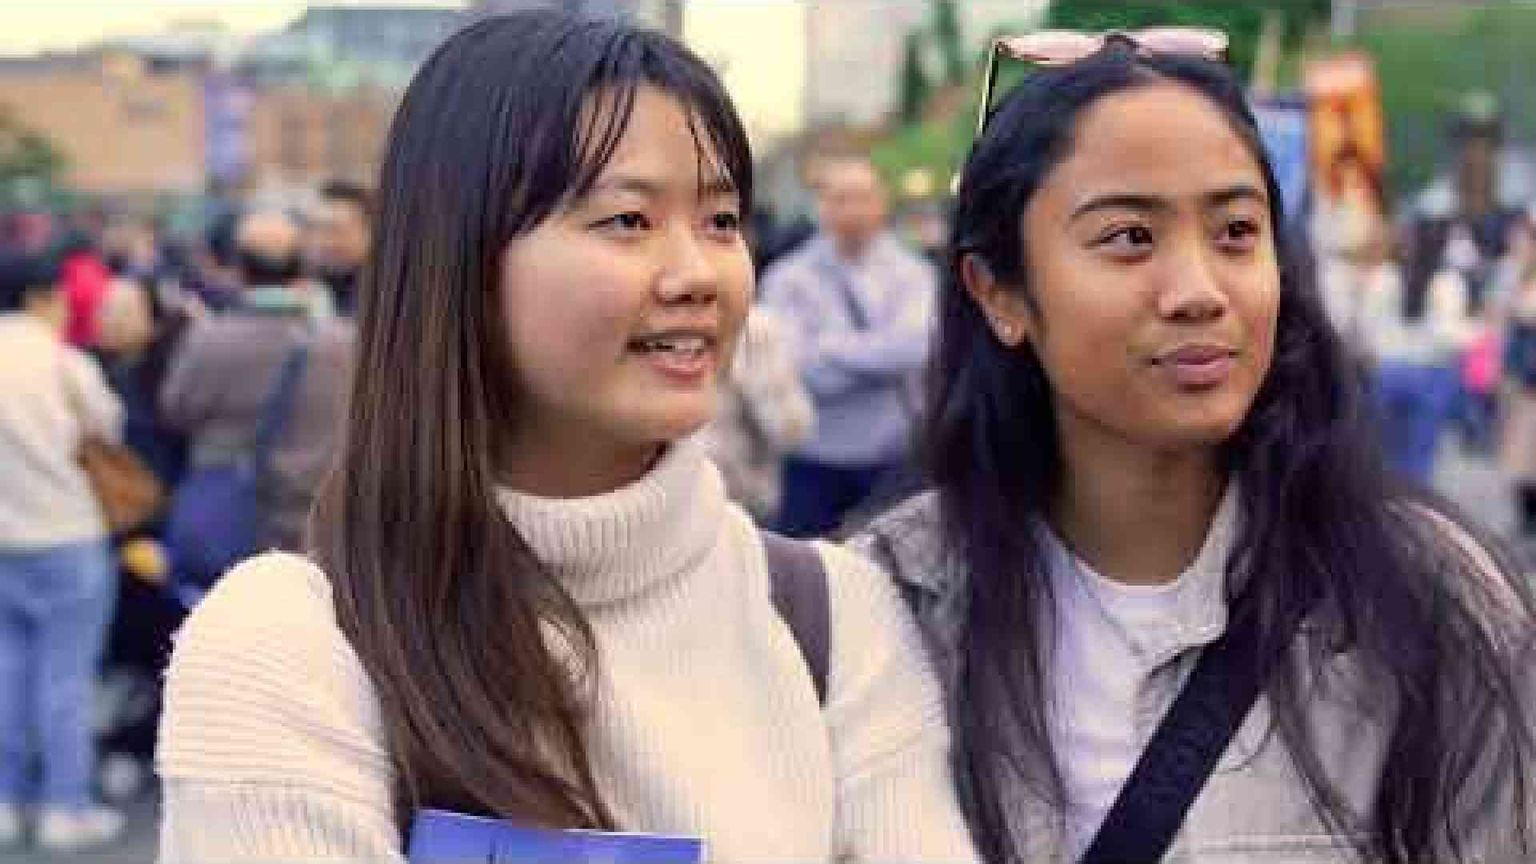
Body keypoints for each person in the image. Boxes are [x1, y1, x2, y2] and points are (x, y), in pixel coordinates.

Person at [155, 12, 975, 864]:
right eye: (628, 220)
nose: (697, 272)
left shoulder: (838, 619)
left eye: (722, 221)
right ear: (460, 255)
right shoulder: (289, 647)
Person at [851, 34, 1535, 864]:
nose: (1200, 292)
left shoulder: (1432, 605)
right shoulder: (883, 615)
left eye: (1237, 232)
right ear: (1000, 293)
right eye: (1130, 238)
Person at [0, 253, 126, 849]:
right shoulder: (62, 362)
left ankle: (5, 800)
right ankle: (64, 806)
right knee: (66, 676)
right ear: (42, 298)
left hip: (4, 543)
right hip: (68, 536)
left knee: (7, 671)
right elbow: (107, 426)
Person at [159, 209, 353, 558]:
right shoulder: (342, 342)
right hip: (316, 520)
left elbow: (176, 411)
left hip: (230, 516)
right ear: (302, 268)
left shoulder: (209, 338)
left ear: (238, 269)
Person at [761, 154, 936, 538]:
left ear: (882, 201)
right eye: (840, 198)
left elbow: (914, 349)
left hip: (893, 456)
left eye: (863, 196)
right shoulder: (787, 279)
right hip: (812, 458)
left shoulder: (914, 274)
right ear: (820, 204)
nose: (853, 209)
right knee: (800, 576)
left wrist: (827, 348)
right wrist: (878, 357)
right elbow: (792, 367)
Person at [304, 180, 373, 316]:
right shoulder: (308, 286)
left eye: (334, 230)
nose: (321, 241)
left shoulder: (381, 298)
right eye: (313, 228)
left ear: (369, 232)